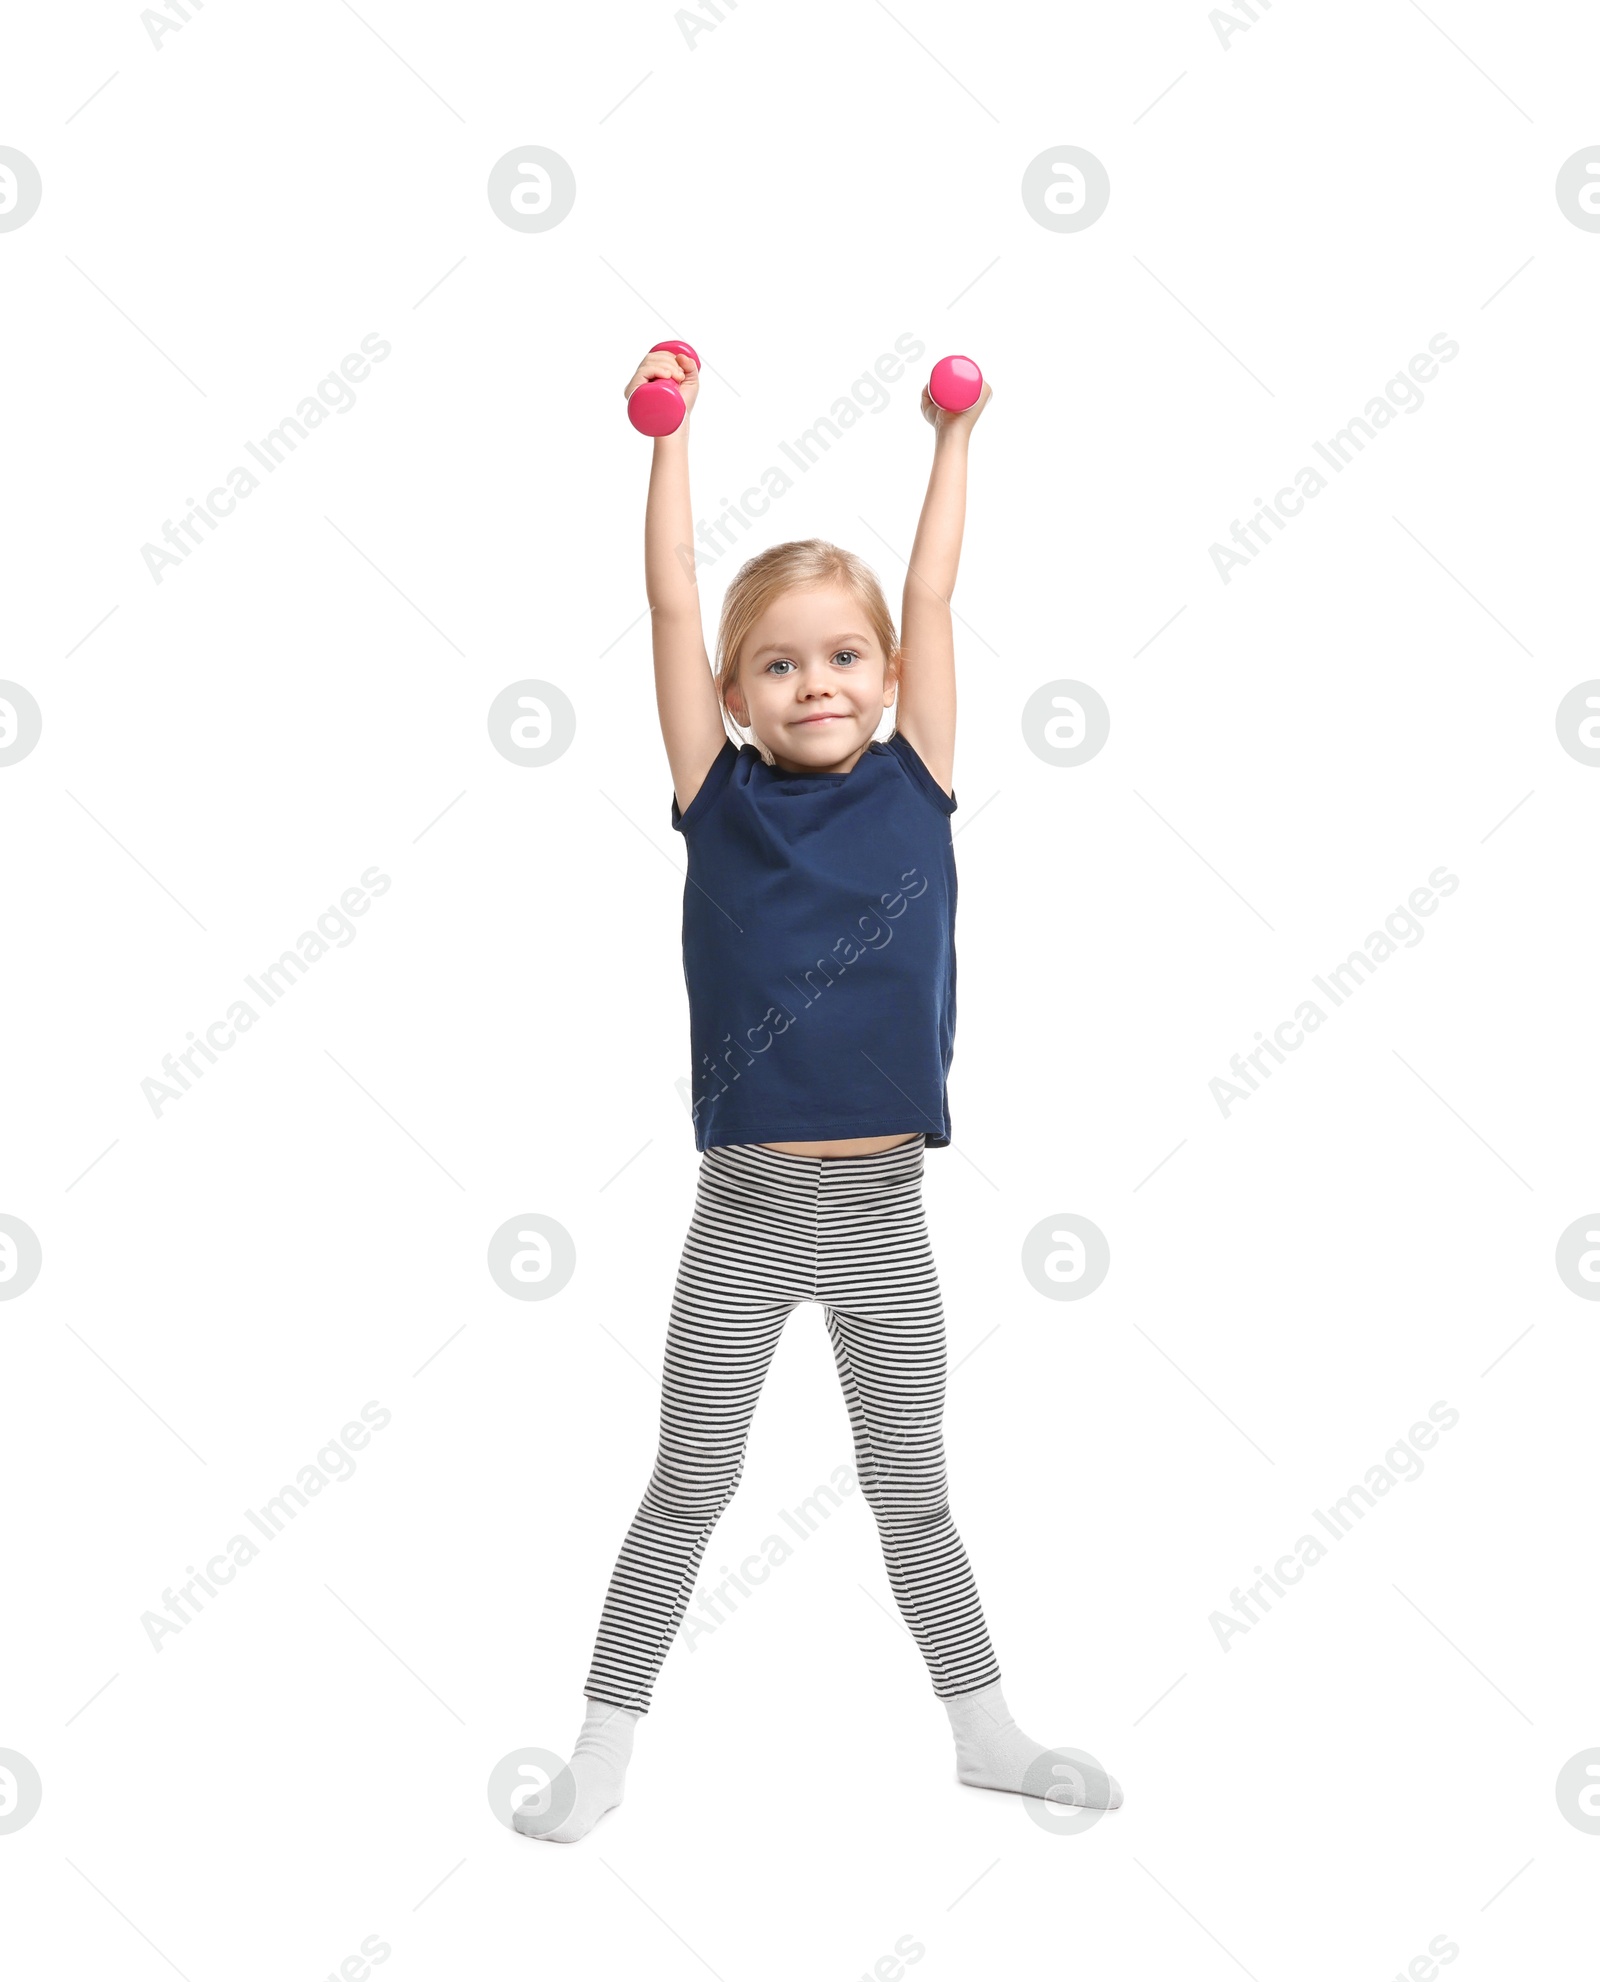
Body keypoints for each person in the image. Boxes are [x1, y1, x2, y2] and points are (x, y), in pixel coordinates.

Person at [515, 344, 1122, 1842]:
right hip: (746, 1215)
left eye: (843, 657)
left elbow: (931, 594)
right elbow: (667, 595)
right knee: (689, 1484)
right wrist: (671, 436)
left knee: (912, 1490)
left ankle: (986, 1730)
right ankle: (599, 1752)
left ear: (890, 679)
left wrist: (952, 438)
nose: (819, 682)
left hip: (886, 1216)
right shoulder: (716, 800)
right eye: (780, 663)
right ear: (735, 691)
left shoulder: (920, 772)